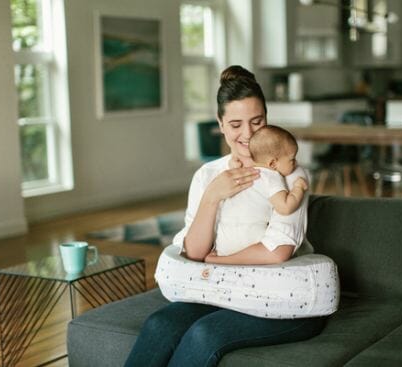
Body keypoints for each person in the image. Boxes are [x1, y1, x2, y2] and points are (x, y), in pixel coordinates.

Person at [123, 65, 326, 367]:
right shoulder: (208, 175)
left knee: (204, 334)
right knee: (159, 325)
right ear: (219, 124)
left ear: (267, 119)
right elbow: (193, 253)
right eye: (235, 125)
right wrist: (212, 197)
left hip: (286, 300)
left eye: (257, 122)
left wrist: (219, 261)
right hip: (222, 291)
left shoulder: (289, 173)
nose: (247, 135)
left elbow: (277, 252)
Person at [213, 125, 309, 257]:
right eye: (292, 159)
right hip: (247, 243)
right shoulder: (271, 177)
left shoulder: (245, 171)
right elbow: (285, 207)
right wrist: (298, 188)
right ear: (272, 164)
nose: (296, 162)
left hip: (223, 244)